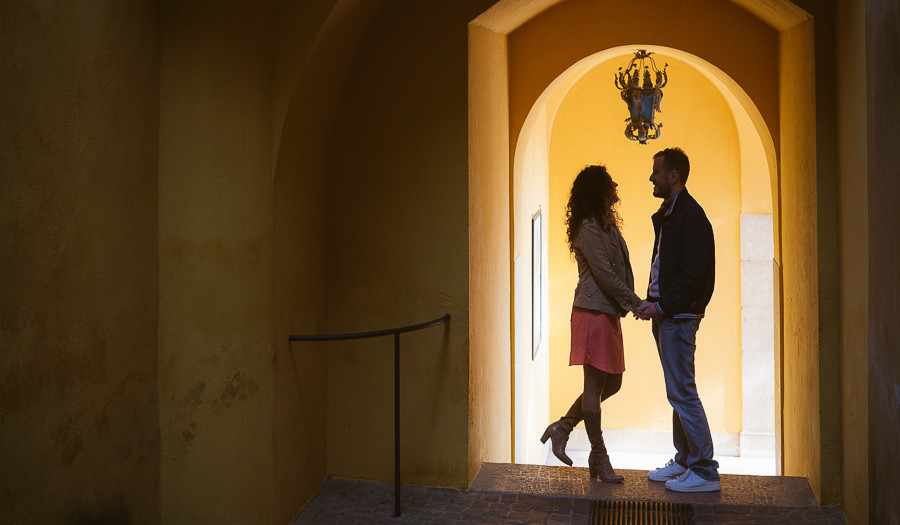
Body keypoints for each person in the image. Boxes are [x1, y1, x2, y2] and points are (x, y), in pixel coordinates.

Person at [540, 165, 647, 483]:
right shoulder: (587, 228)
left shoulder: (607, 224)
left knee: (612, 384)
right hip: (592, 314)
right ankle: (599, 457)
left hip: (607, 313)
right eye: (608, 183)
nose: (616, 185)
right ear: (598, 191)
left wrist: (632, 302)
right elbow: (604, 274)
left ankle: (562, 427)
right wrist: (635, 302)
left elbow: (620, 267)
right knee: (594, 387)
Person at [635, 147, 720, 492]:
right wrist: (653, 301)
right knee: (677, 393)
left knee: (683, 392)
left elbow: (692, 274)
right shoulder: (672, 214)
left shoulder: (690, 215)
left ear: (674, 176)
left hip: (678, 317)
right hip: (669, 313)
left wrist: (662, 306)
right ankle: (685, 460)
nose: (651, 177)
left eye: (656, 172)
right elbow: (667, 268)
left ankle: (704, 470)